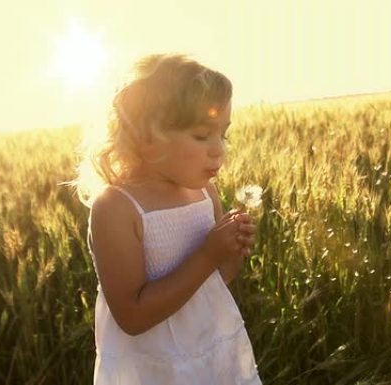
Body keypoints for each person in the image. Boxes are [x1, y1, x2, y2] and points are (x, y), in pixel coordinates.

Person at [75, 53, 262, 384]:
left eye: (224, 134)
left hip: (212, 352)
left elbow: (218, 281)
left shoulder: (206, 194)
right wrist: (208, 254)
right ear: (147, 139)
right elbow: (132, 316)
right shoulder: (118, 208)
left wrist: (230, 252)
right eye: (202, 135)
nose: (219, 149)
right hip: (154, 368)